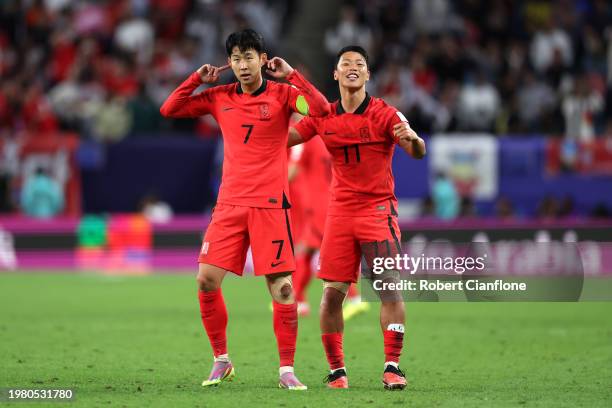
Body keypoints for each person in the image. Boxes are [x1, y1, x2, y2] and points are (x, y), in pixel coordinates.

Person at [160, 28, 330, 390]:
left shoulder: (284, 95)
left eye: (249, 56)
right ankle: (221, 359)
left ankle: (286, 370)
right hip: (230, 204)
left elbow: (321, 109)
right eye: (235, 58)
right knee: (205, 280)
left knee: (283, 289)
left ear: (263, 61)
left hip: (270, 206)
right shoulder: (218, 97)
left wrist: (293, 76)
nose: (242, 64)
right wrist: (196, 79)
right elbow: (169, 108)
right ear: (230, 63)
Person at [288, 45, 426, 390]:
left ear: (367, 75)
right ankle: (337, 371)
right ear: (335, 74)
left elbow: (416, 150)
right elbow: (284, 139)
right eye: (345, 63)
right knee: (332, 295)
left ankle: (392, 367)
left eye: (359, 64)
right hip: (339, 213)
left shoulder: (386, 114)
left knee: (388, 289)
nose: (352, 67)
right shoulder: (322, 115)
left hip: (377, 211)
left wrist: (415, 140)